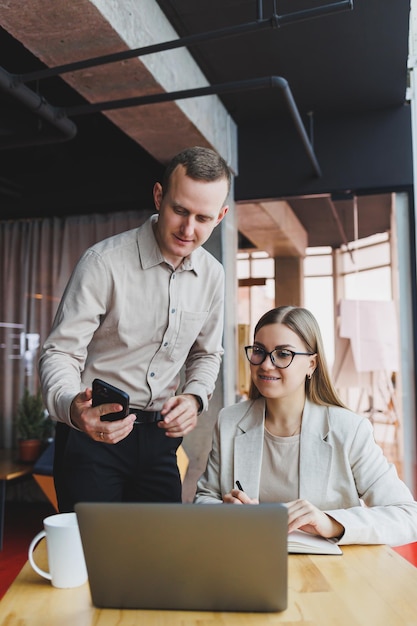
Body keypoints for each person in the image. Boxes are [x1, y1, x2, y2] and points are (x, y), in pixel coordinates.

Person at [39, 145, 231, 512]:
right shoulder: (103, 263)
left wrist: (195, 398)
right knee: (91, 560)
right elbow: (60, 353)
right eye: (180, 210)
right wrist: (71, 409)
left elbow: (207, 354)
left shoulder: (213, 276)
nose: (188, 229)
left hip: (160, 440)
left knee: (159, 560)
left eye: (203, 218)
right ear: (159, 196)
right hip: (93, 433)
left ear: (220, 216)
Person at [195, 305, 417, 546]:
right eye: (259, 351)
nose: (266, 365)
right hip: (249, 559)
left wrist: (330, 523)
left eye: (283, 354)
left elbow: (408, 516)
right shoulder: (230, 421)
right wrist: (226, 512)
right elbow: (205, 499)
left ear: (312, 364)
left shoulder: (349, 429)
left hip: (330, 572)